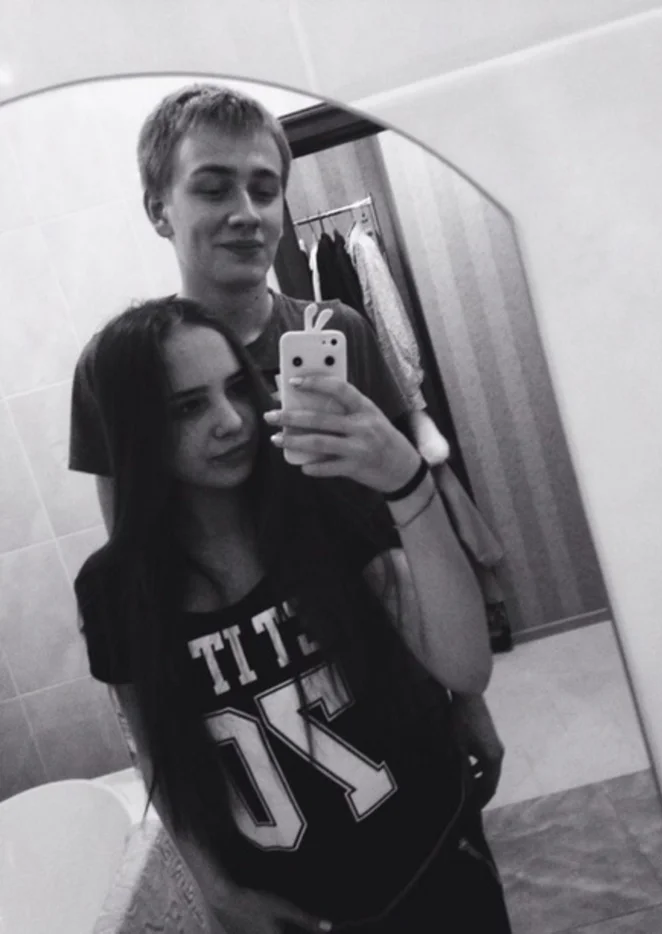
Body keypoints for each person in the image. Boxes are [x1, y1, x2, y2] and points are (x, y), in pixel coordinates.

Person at [68, 83, 503, 825]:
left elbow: (402, 523)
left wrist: (466, 697)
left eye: (265, 189)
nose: (247, 211)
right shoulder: (117, 373)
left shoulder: (340, 332)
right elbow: (137, 560)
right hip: (259, 702)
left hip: (395, 660)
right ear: (159, 209)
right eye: (213, 188)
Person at [74, 295, 511, 933]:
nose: (232, 421)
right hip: (295, 909)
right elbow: (156, 748)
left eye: (236, 388)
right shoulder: (115, 588)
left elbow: (466, 667)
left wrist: (406, 481)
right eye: (187, 407)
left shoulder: (326, 506)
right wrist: (218, 888)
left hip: (435, 863)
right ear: (135, 431)